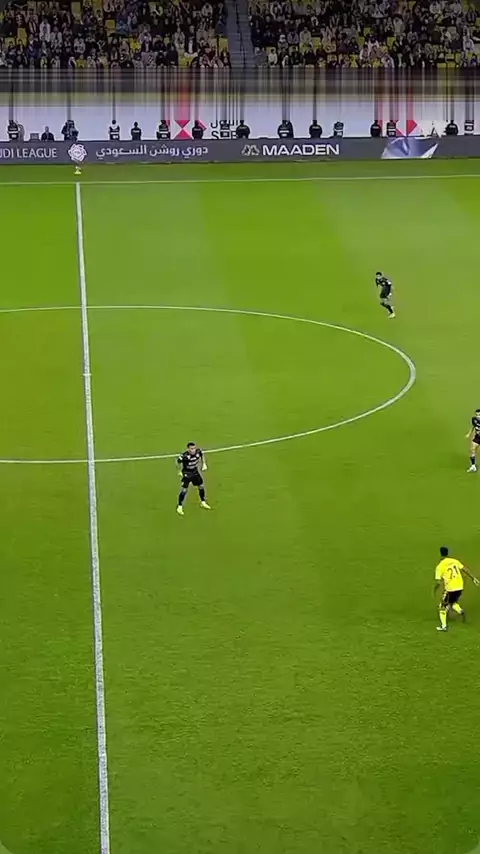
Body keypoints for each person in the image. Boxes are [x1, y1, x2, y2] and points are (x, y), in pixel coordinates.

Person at [434, 546, 479, 632]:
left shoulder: (440, 566)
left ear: (440, 554)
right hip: (460, 587)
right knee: (452, 601)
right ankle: (460, 611)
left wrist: (434, 590)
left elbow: (438, 582)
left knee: (442, 607)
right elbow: (464, 569)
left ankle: (444, 626)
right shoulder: (454, 561)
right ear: (448, 553)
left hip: (450, 589)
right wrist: (473, 578)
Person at [176, 443, 211, 516]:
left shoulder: (198, 452)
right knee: (184, 490)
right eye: (191, 449)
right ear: (188, 449)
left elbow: (202, 454)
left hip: (195, 472)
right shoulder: (184, 456)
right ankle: (179, 506)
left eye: (194, 448)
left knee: (201, 486)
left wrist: (204, 464)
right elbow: (178, 462)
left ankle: (203, 502)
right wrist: (179, 471)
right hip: (187, 473)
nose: (193, 450)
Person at [466, 408, 480, 472]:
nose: (478, 416)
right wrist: (469, 433)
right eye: (477, 415)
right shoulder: (474, 419)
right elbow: (473, 426)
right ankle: (473, 466)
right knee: (472, 449)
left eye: (479, 415)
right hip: (478, 437)